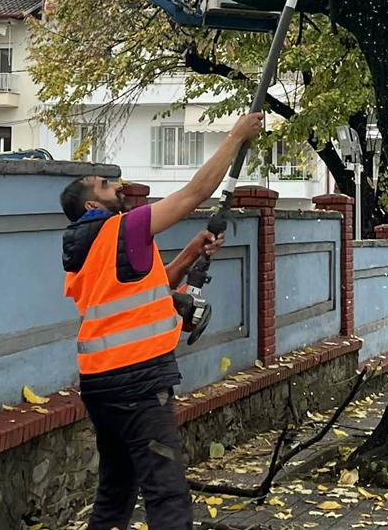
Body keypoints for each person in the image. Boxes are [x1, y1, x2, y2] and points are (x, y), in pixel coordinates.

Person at [61, 111, 263, 530]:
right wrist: (235, 135)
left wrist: (190, 253)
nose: (117, 186)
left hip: (99, 385)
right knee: (166, 491)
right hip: (138, 382)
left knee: (115, 493)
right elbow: (195, 194)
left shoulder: (84, 250)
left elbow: (144, 292)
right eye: (105, 185)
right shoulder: (123, 229)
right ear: (93, 204)